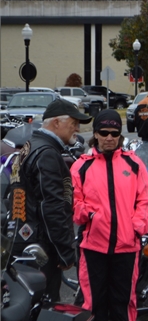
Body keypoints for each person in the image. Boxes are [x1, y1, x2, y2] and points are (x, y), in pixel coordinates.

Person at [71, 110, 148, 321]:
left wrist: (137, 227)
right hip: (93, 247)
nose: (109, 138)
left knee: (123, 303)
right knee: (92, 303)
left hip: (127, 246)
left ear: (120, 135)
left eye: (114, 133)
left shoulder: (134, 164)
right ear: (95, 134)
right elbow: (74, 203)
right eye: (104, 132)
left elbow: (145, 199)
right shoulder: (81, 166)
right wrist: (90, 215)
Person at [7, 98, 93, 301]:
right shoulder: (47, 154)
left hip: (21, 239)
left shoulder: (30, 146)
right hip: (40, 246)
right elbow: (52, 207)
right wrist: (65, 251)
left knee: (23, 303)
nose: (78, 129)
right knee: (44, 307)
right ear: (56, 123)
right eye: (73, 123)